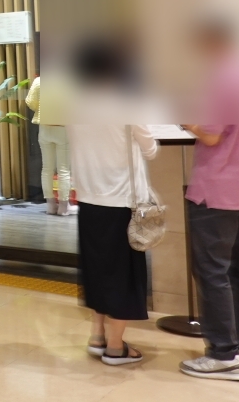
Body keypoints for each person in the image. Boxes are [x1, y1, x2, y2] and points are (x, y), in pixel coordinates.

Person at [179, 18, 239, 382]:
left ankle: (222, 355)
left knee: (212, 270)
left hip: (216, 188)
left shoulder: (221, 76)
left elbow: (211, 134)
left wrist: (186, 120)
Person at [66, 38, 160, 366]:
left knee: (97, 270)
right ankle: (116, 347)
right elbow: (150, 148)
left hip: (89, 198)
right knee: (123, 274)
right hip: (120, 200)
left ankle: (97, 336)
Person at [26, 74, 72, 215]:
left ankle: (50, 205)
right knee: (63, 169)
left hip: (44, 127)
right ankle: (64, 207)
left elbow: (30, 102)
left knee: (47, 168)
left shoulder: (39, 81)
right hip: (63, 128)